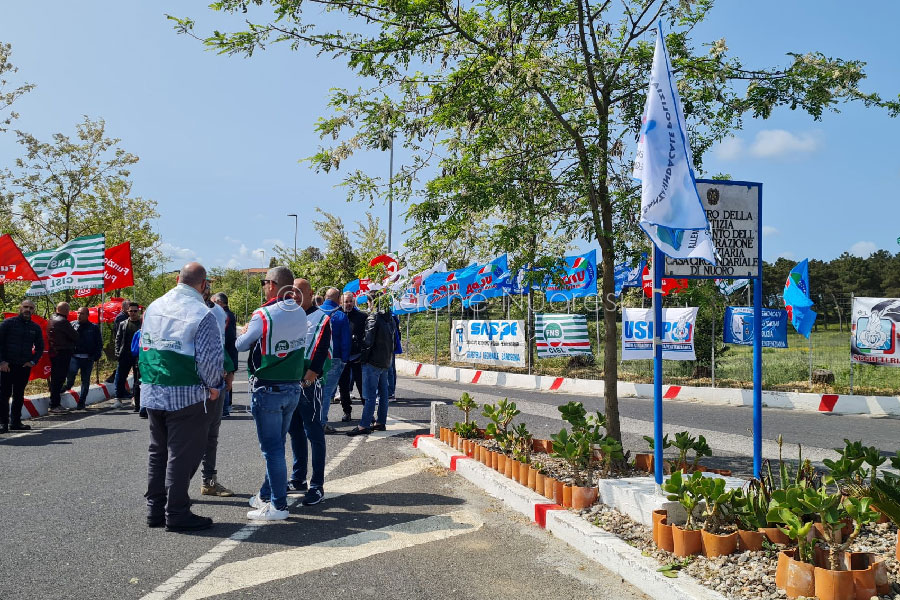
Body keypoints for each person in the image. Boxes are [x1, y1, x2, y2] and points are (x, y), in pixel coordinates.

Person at [140, 262, 224, 532]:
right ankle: (176, 512)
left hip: (154, 389)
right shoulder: (203, 313)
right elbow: (210, 360)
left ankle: (155, 510)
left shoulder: (154, 306)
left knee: (158, 451)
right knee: (182, 455)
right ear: (203, 285)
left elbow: (145, 345)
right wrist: (214, 386)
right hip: (187, 394)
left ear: (177, 279)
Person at [236, 266, 307, 521]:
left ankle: (278, 506)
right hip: (292, 387)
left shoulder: (263, 314)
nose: (264, 286)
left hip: (268, 387)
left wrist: (243, 332)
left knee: (272, 449)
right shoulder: (300, 312)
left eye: (265, 282)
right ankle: (265, 495)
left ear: (273, 285)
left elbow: (241, 345)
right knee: (278, 445)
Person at [286, 278, 330, 505]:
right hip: (289, 384)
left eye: (299, 292)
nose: (295, 296)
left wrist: (310, 377)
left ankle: (317, 485)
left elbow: (322, 351)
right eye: (292, 292)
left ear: (311, 293)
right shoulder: (289, 316)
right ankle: (298, 478)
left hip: (309, 386)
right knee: (295, 432)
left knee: (314, 433)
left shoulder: (322, 318)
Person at [197, 286, 234, 498]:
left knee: (211, 434)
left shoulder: (219, 313)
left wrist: (230, 371)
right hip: (188, 383)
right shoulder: (179, 310)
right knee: (182, 438)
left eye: (205, 287)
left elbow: (226, 344)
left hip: (216, 380)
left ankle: (208, 481)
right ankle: (174, 487)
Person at [347, 293, 395, 436]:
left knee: (369, 395)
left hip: (372, 361)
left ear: (371, 302)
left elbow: (368, 341)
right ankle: (380, 422)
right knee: (383, 394)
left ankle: (364, 425)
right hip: (385, 360)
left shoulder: (373, 317)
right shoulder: (389, 318)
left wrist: (363, 358)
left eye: (368, 302)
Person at [0, 300, 43, 433]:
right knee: (4, 394)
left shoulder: (35, 327)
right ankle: (3, 423)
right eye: (25, 307)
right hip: (7, 366)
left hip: (23, 367)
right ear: (20, 308)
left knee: (19, 394)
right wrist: (2, 361)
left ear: (33, 311)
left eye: (30, 308)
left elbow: (41, 347)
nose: (27, 310)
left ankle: (16, 422)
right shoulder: (8, 323)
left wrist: (33, 362)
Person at [318, 287, 349, 434]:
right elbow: (345, 341)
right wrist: (345, 359)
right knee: (327, 392)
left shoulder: (316, 312)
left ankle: (313, 421)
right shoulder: (341, 316)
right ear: (338, 300)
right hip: (334, 358)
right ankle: (322, 423)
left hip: (315, 358)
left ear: (325, 297)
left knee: (314, 391)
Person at [338, 291, 367, 422]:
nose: (349, 304)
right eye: (346, 302)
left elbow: (367, 336)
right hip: (342, 357)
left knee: (362, 385)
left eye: (351, 301)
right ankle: (346, 411)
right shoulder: (337, 315)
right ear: (341, 302)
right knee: (343, 386)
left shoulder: (361, 316)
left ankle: (367, 412)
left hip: (357, 356)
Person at [66, 307, 103, 410]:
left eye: (82, 314)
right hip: (74, 357)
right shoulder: (72, 325)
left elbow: (99, 343)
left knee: (85, 380)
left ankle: (81, 401)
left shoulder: (94, 327)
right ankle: (67, 386)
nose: (79, 315)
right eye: (78, 313)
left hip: (88, 358)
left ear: (87, 315)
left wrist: (96, 356)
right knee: (71, 375)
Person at [48, 302, 79, 413]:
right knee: (59, 379)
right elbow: (75, 336)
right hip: (62, 353)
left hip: (54, 353)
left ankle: (55, 403)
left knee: (56, 379)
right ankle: (54, 404)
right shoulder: (63, 321)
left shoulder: (51, 319)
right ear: (66, 310)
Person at [211, 292, 238, 417]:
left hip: (226, 352)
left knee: (225, 382)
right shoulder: (228, 314)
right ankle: (226, 407)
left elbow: (225, 336)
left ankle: (226, 408)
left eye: (213, 303)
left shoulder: (225, 315)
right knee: (226, 382)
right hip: (229, 352)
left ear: (219, 302)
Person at [114, 303, 142, 408]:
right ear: (127, 312)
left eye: (135, 311)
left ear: (138, 311)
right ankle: (118, 398)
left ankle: (135, 398)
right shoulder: (123, 324)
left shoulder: (142, 323)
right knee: (121, 377)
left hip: (138, 355)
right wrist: (117, 352)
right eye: (131, 311)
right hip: (124, 354)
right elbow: (118, 339)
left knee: (137, 378)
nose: (133, 313)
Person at [388, 313, 402, 401]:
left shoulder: (390, 317)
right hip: (391, 346)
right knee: (391, 369)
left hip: (388, 347)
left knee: (389, 370)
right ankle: (391, 392)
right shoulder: (393, 316)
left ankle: (390, 393)